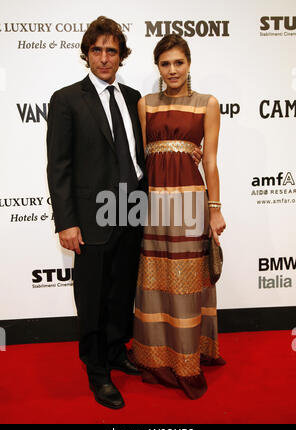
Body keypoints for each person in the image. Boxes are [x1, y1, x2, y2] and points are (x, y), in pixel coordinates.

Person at [47, 17, 202, 409]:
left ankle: (117, 352)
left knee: (120, 293)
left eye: (111, 51)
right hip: (92, 215)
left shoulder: (135, 97)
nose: (104, 58)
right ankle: (96, 370)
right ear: (86, 54)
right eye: (96, 50)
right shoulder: (67, 100)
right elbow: (59, 166)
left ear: (122, 56)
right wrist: (66, 221)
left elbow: (141, 156)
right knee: (93, 296)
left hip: (132, 208)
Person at [131, 34, 226, 400]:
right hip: (154, 204)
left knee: (186, 283)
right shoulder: (146, 105)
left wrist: (215, 210)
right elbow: (142, 160)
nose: (172, 70)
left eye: (178, 63)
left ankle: (188, 361)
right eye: (165, 64)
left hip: (189, 203)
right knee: (155, 280)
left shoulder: (207, 104)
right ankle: (155, 357)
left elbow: (212, 162)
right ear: (158, 67)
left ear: (189, 64)